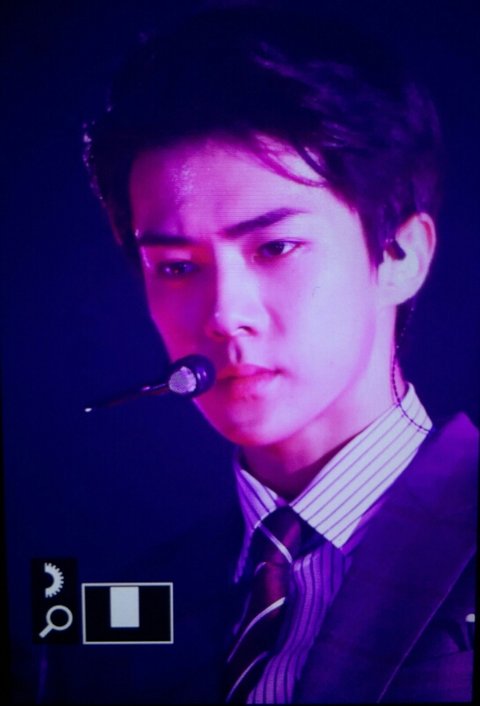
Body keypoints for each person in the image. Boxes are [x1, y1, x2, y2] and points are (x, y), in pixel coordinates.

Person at [46, 5, 477, 704]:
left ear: (399, 255)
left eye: (275, 248)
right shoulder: (120, 601)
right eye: (176, 267)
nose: (223, 316)